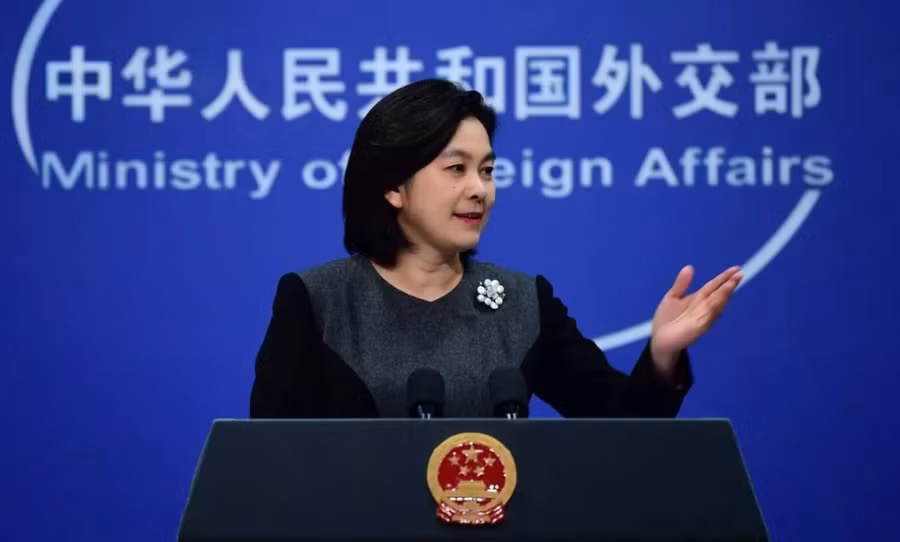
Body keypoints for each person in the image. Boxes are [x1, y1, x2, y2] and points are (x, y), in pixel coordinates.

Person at [249, 78, 742, 419]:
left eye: (487, 170)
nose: (479, 190)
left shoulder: (523, 302)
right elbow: (271, 464)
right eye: (456, 169)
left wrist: (661, 356)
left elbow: (621, 429)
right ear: (394, 186)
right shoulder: (317, 301)